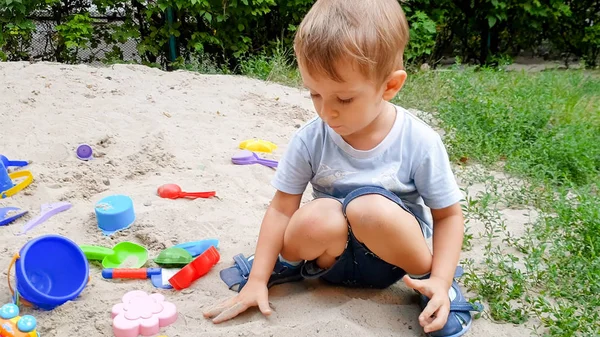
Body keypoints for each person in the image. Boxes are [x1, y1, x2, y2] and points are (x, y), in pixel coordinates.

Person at [204, 0, 483, 336]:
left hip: (397, 263)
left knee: (368, 207)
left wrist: (440, 278)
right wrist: (258, 278)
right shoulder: (310, 139)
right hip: (328, 262)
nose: (326, 112)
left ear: (390, 87)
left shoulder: (418, 141)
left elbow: (448, 215)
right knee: (318, 214)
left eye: (344, 99)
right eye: (314, 94)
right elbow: (281, 209)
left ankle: (435, 291)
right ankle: (286, 267)